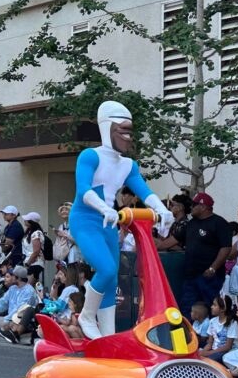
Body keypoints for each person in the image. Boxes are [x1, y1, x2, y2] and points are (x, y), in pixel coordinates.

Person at [70, 102, 173, 339]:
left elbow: (145, 192)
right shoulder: (90, 156)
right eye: (122, 130)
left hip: (109, 221)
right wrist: (104, 207)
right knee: (105, 269)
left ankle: (107, 335)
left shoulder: (128, 164)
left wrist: (161, 210)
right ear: (107, 128)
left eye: (130, 131)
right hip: (86, 219)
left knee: (113, 276)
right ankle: (86, 315)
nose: (127, 137)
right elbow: (83, 190)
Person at [178, 192, 231, 319]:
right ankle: (189, 337)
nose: (191, 208)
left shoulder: (219, 223)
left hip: (209, 277)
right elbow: (173, 240)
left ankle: (211, 338)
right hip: (190, 276)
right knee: (187, 309)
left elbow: (226, 248)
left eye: (194, 205)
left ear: (203, 206)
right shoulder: (191, 224)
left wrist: (213, 268)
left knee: (211, 308)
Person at [0, 265, 39, 343]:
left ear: (18, 278)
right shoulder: (12, 288)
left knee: (12, 322)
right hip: (8, 319)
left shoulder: (29, 291)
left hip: (18, 322)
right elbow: (2, 303)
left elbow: (20, 310)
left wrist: (7, 320)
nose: (11, 277)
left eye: (13, 276)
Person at [200, 295, 238, 364]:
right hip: (214, 350)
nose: (211, 307)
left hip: (225, 352)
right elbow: (210, 343)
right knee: (198, 357)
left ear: (222, 309)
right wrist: (202, 353)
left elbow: (227, 347)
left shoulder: (232, 323)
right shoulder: (212, 321)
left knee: (208, 361)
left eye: (214, 305)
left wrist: (209, 353)